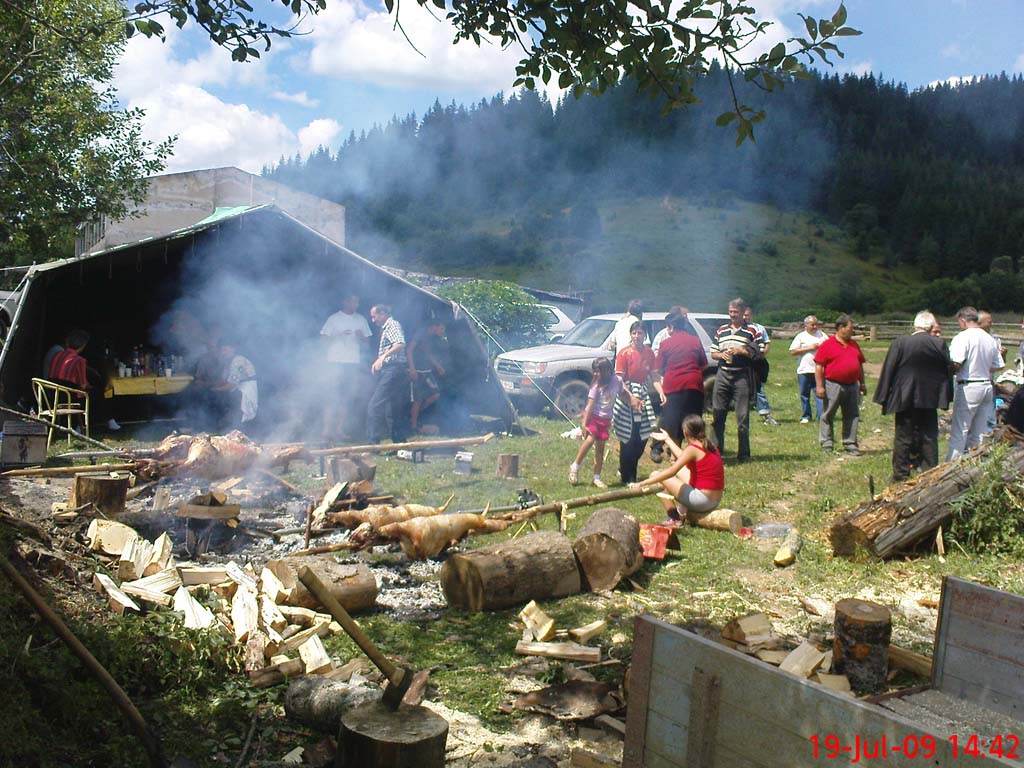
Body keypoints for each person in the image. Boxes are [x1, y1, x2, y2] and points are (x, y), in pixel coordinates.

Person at [873, 311, 952, 481]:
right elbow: (946, 371)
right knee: (929, 435)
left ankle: (900, 474)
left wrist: (884, 394)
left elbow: (889, 369)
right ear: (931, 326)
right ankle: (929, 472)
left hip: (904, 395)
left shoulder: (900, 343)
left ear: (915, 326)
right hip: (930, 397)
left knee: (903, 435)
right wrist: (945, 396)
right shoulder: (939, 344)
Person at [635, 415, 724, 527]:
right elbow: (683, 457)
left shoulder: (692, 449)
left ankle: (674, 518)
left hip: (703, 501)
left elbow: (672, 471)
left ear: (685, 432)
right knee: (678, 470)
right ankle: (681, 512)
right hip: (714, 500)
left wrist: (642, 483)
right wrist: (667, 439)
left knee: (656, 475)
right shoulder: (708, 445)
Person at [569, 358, 641, 488]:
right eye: (594, 371)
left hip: (605, 420)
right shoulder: (595, 385)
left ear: (607, 370)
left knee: (600, 449)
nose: (596, 374)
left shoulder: (617, 381)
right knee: (590, 440)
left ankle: (596, 478)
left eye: (599, 371)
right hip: (593, 417)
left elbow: (623, 394)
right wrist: (584, 424)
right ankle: (575, 467)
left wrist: (633, 402)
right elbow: (589, 406)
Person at [946, 306, 1003, 461]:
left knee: (960, 429)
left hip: (969, 384)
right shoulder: (989, 339)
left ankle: (951, 465)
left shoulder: (963, 337)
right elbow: (999, 365)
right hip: (986, 384)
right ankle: (976, 463)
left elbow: (956, 362)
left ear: (963, 321)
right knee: (980, 430)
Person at [710, 297, 763, 462]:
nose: (732, 315)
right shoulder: (721, 330)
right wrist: (721, 354)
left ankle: (744, 454)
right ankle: (717, 451)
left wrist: (742, 351)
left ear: (743, 313)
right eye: (730, 312)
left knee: (742, 417)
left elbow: (760, 352)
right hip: (723, 374)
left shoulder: (753, 331)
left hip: (741, 376)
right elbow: (713, 352)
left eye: (736, 312)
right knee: (718, 414)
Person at [652, 309, 707, 460]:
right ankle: (694, 453)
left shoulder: (666, 343)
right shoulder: (695, 341)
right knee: (693, 421)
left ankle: (670, 454)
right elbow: (703, 363)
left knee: (671, 421)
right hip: (694, 386)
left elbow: (658, 368)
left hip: (674, 385)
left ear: (671, 327)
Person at [320, 293, 371, 440]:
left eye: (357, 302)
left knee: (346, 397)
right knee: (331, 396)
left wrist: (361, 337)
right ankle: (326, 430)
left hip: (352, 362)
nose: (355, 305)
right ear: (345, 302)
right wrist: (338, 335)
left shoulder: (360, 319)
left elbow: (367, 343)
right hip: (334, 361)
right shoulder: (334, 318)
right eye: (352, 301)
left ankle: (339, 430)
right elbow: (323, 339)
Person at [814, 315, 867, 455]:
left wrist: (862, 383)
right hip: (833, 384)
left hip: (851, 385)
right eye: (850, 328)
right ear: (840, 328)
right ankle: (827, 442)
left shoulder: (854, 344)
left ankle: (850, 443)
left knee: (852, 414)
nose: (852, 331)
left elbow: (859, 365)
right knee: (828, 414)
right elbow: (819, 366)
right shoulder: (827, 345)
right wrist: (820, 386)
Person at [48, 329, 120, 431]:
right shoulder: (79, 361)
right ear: (83, 346)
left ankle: (84, 423)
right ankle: (108, 420)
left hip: (53, 394)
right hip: (70, 398)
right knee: (98, 393)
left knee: (91, 393)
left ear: (67, 343)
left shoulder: (57, 355)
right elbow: (83, 386)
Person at [613, 321, 658, 483]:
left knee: (642, 434)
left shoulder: (649, 353)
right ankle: (628, 477)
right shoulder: (624, 353)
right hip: (626, 393)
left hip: (643, 395)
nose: (637, 336)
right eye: (634, 333)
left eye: (640, 333)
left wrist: (661, 391)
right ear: (631, 335)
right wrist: (630, 398)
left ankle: (627, 468)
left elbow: (654, 375)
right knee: (628, 436)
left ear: (644, 334)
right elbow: (619, 379)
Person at [366, 304, 410, 444]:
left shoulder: (392, 325)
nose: (373, 320)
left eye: (374, 316)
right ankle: (399, 443)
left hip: (393, 370)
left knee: (374, 405)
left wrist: (382, 358)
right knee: (393, 410)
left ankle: (373, 444)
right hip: (395, 371)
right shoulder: (387, 327)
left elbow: (400, 344)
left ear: (383, 314)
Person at [407, 319, 450, 433]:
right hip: (417, 370)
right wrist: (412, 369)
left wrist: (438, 366)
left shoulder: (432, 337)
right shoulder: (420, 333)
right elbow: (409, 350)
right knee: (418, 399)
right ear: (434, 326)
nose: (442, 331)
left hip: (427, 371)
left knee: (435, 394)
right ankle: (413, 426)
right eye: (441, 328)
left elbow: (428, 354)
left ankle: (414, 416)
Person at [743, 306, 777, 426]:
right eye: (743, 314)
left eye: (747, 315)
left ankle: (766, 414)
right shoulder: (739, 328)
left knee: (758, 388)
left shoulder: (759, 328)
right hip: (742, 362)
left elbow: (767, 343)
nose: (745, 317)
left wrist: (762, 355)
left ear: (751, 315)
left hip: (756, 362)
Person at [788, 315, 825, 423]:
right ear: (806, 325)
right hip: (804, 370)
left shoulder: (822, 335)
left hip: (819, 370)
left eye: (816, 324)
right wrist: (809, 347)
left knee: (820, 394)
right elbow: (792, 351)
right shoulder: (801, 336)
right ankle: (806, 415)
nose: (815, 327)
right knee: (804, 394)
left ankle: (821, 416)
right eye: (812, 324)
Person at [214, 342, 258, 426]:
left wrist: (216, 390)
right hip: (238, 387)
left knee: (224, 399)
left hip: (245, 389)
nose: (223, 353)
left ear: (233, 349)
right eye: (221, 350)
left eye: (225, 350)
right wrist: (212, 385)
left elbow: (232, 384)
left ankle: (235, 426)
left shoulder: (238, 360)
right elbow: (225, 380)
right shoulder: (228, 361)